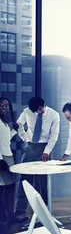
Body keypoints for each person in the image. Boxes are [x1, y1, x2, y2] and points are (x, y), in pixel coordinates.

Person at [14, 97, 60, 217]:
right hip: (30, 147)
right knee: (24, 179)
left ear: (44, 104)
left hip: (45, 148)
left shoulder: (54, 115)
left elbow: (54, 135)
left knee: (43, 181)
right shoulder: (27, 112)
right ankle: (20, 208)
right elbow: (18, 125)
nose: (38, 112)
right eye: (36, 111)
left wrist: (47, 151)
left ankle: (42, 210)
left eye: (40, 109)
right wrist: (25, 139)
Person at [0, 97, 24, 226]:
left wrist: (14, 130)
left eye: (7, 105)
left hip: (7, 156)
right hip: (3, 158)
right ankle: (11, 217)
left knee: (4, 188)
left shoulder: (3, 121)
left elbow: (5, 140)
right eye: (2, 105)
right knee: (9, 188)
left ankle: (4, 216)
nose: (5, 107)